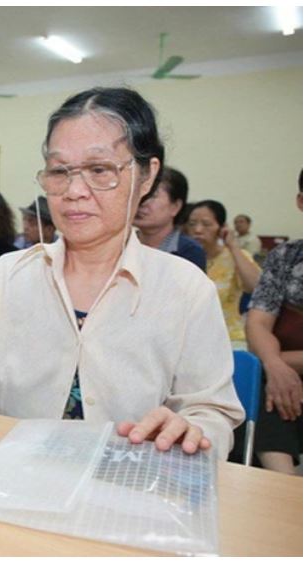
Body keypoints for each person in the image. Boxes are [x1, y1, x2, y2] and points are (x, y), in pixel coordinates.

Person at [0, 88, 244, 459]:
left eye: (99, 170)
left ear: (146, 176)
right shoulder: (8, 275)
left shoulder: (185, 287)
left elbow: (212, 412)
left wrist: (193, 430)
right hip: (16, 478)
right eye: (59, 171)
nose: (74, 191)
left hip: (129, 486)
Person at [245, 172, 303, 474]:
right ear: (301, 202)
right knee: (261, 380)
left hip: (294, 369)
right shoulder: (286, 256)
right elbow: (257, 323)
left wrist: (281, 364)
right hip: (287, 376)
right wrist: (274, 365)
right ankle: (286, 485)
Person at [186, 200, 261, 345]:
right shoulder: (183, 257)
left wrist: (233, 247)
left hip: (229, 338)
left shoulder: (236, 256)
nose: (198, 230)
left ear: (221, 228)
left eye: (206, 224)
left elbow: (256, 287)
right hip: (189, 339)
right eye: (192, 224)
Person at [133, 167, 206, 271]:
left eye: (152, 196)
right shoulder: (122, 245)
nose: (142, 202)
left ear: (175, 207)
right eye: (141, 193)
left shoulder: (189, 251)